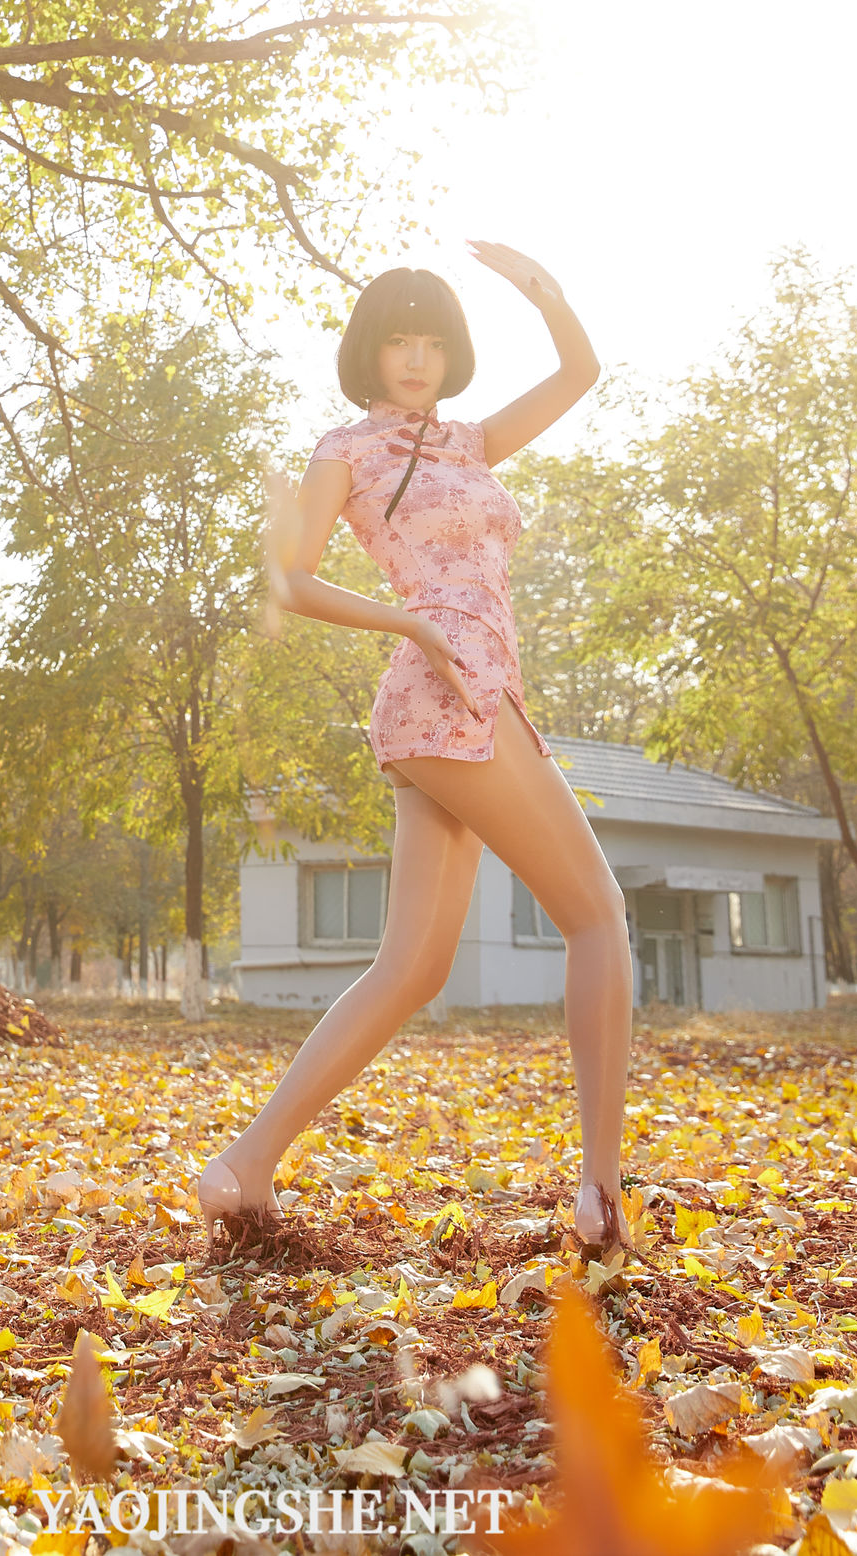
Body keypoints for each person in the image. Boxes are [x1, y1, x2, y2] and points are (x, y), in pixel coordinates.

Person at [197, 243, 631, 1253]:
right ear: (370, 351)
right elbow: (291, 577)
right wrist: (410, 625)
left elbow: (579, 372)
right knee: (598, 915)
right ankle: (603, 1195)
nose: (417, 358)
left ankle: (244, 1167)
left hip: (475, 695)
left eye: (433, 341)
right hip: (445, 694)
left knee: (412, 968)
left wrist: (544, 290)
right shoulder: (346, 450)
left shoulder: (470, 444)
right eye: (399, 340)